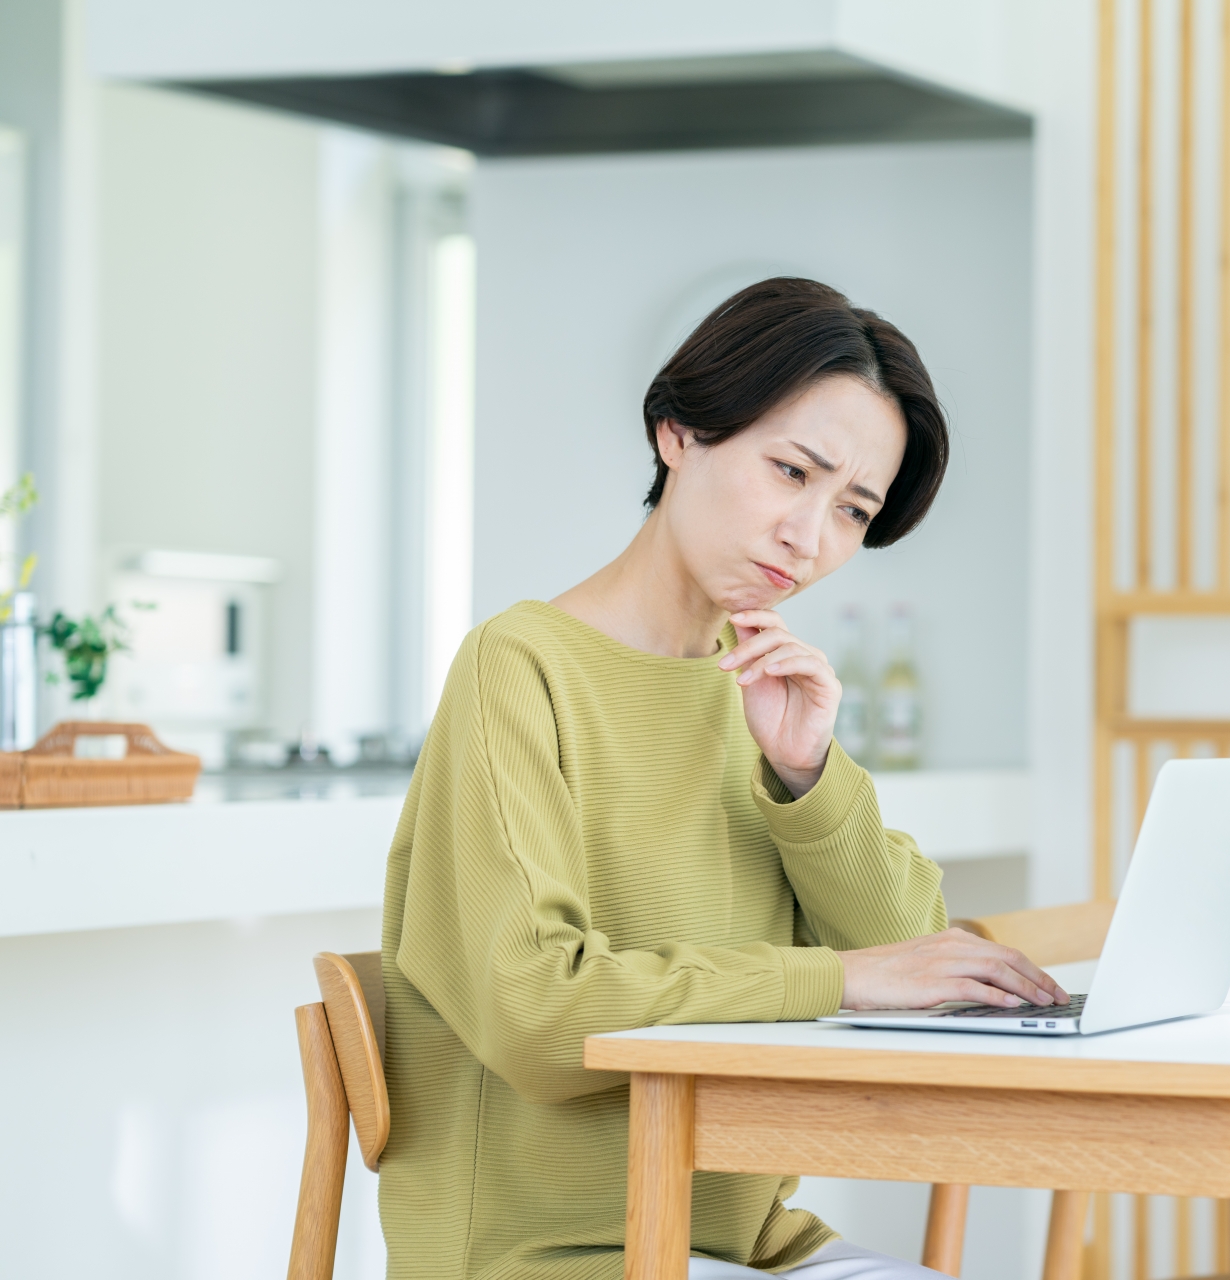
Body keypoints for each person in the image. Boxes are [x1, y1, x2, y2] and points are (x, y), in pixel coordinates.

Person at [377, 277, 1068, 1280]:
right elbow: (535, 1006)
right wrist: (837, 981)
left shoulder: (759, 694)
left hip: (749, 1245)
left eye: (852, 510)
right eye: (791, 471)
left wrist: (807, 777)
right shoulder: (518, 666)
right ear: (680, 431)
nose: (811, 536)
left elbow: (913, 951)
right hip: (553, 1254)